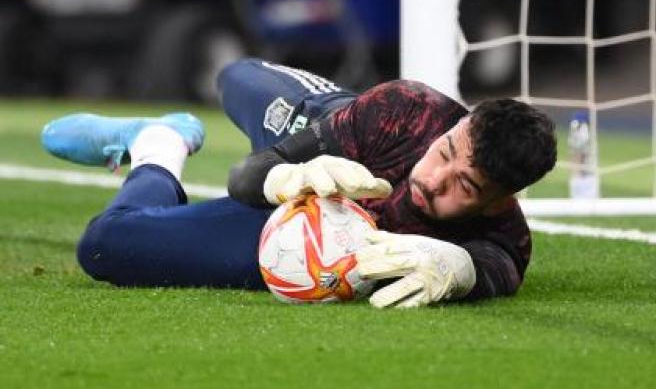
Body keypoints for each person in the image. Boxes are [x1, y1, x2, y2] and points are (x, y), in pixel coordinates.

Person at [42, 58, 558, 308]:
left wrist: (461, 268)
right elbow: (247, 177)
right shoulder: (408, 111)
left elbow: (498, 267)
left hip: (291, 231)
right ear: (453, 128)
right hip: (329, 131)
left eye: (463, 187)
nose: (432, 178)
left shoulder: (500, 240)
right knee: (235, 77)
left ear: (498, 202)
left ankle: (158, 144)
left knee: (105, 245)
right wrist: (286, 175)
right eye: (445, 151)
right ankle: (332, 110)